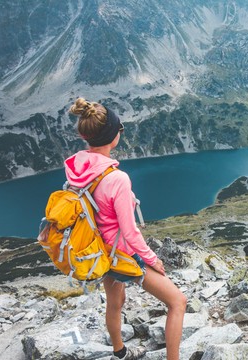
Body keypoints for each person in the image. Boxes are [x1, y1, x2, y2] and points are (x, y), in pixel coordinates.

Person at [66, 97, 187, 360]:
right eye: (119, 129)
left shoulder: (77, 167)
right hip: (120, 253)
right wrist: (153, 260)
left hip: (98, 250)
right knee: (177, 302)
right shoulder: (117, 178)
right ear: (112, 136)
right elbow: (130, 233)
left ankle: (120, 351)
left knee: (115, 301)